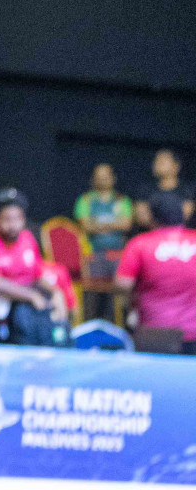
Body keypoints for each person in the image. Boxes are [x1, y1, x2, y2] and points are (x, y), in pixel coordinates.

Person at [0, 190, 67, 344]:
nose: (13, 225)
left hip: (22, 317)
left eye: (18, 218)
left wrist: (56, 292)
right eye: (7, 219)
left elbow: (38, 275)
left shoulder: (27, 238)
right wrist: (31, 296)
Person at [116, 199, 196, 354]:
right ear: (182, 217)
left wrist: (133, 300)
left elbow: (122, 285)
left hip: (154, 333)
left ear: (153, 218)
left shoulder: (139, 244)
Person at [77, 164, 134, 254]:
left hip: (118, 253)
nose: (103, 179)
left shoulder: (123, 199)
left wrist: (97, 223)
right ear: (93, 179)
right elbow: (86, 226)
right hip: (92, 255)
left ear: (113, 177)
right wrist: (115, 223)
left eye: (106, 176)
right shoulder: (85, 200)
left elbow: (127, 225)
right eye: (99, 176)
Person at [134, 149, 193, 232]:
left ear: (176, 166)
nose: (158, 163)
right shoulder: (145, 190)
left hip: (181, 237)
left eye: (163, 160)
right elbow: (142, 218)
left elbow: (185, 216)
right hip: (151, 236)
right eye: (156, 160)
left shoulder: (187, 190)